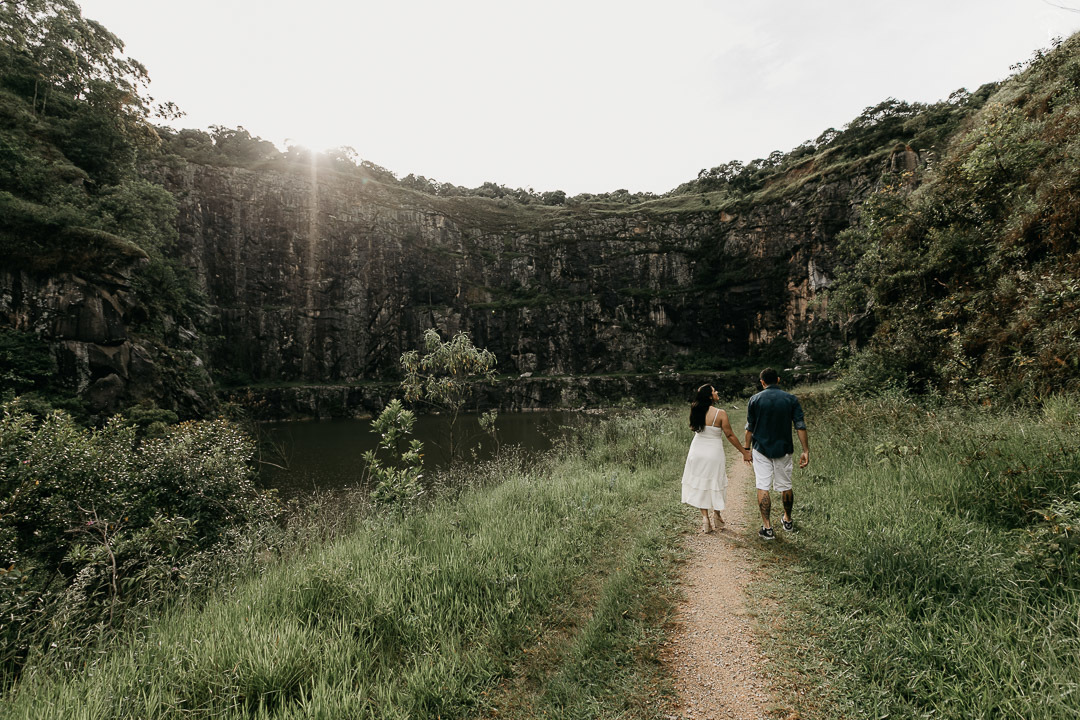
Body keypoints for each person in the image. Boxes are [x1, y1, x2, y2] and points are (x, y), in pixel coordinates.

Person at [744, 368, 809, 540]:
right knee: (785, 485)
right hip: (784, 448)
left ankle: (768, 528)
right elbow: (800, 426)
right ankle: (787, 520)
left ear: (762, 382)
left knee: (763, 485)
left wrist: (746, 449)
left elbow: (749, 428)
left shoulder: (755, 399)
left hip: (761, 449)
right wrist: (805, 450)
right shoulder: (791, 399)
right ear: (778, 380)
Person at [682, 384, 753, 533]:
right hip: (713, 452)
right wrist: (744, 452)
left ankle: (705, 519)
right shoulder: (720, 413)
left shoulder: (695, 409)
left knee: (702, 483)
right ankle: (717, 515)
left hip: (697, 450)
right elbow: (730, 435)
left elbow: (694, 428)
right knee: (716, 481)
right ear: (709, 396)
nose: (717, 392)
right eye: (714, 391)